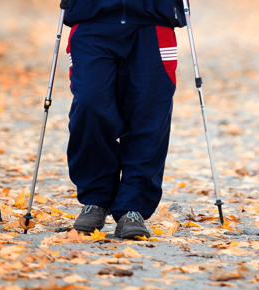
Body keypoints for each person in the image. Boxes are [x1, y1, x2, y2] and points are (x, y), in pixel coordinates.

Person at [62, 0, 187, 239]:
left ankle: (134, 206)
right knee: (89, 105)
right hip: (92, 18)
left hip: (154, 20)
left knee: (149, 115)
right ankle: (96, 199)